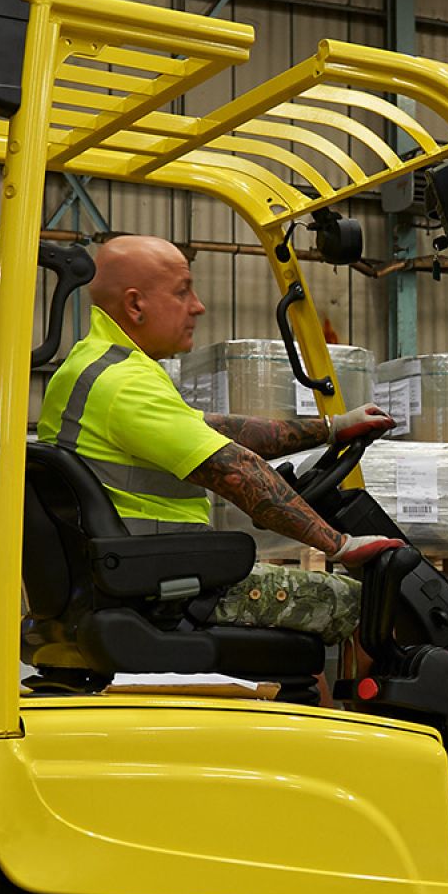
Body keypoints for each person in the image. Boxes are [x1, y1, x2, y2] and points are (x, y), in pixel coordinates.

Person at [36, 233, 400, 639]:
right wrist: (340, 545)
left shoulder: (94, 364)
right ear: (136, 305)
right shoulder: (125, 382)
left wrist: (332, 428)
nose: (198, 306)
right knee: (366, 604)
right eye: (183, 292)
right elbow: (236, 471)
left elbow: (216, 430)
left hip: (130, 572)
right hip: (167, 583)